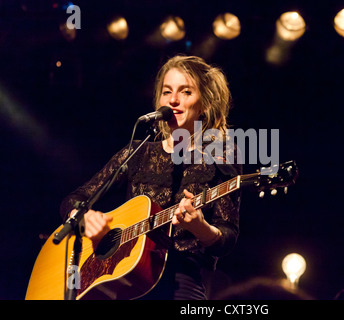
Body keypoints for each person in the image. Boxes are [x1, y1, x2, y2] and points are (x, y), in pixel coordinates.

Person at [59, 55, 242, 300]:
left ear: (205, 104)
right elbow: (75, 198)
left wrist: (201, 228)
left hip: (181, 282)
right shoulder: (139, 151)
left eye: (186, 92)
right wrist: (83, 218)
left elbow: (227, 236)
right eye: (167, 92)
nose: (173, 100)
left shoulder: (221, 154)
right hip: (122, 279)